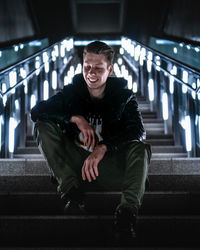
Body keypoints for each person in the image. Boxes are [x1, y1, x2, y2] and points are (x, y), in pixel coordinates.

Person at [31, 41, 151, 240]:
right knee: (42, 126)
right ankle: (72, 194)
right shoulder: (72, 92)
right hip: (75, 168)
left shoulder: (124, 97)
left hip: (108, 167)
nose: (91, 73)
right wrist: (75, 118)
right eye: (87, 66)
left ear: (110, 69)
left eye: (98, 67)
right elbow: (38, 111)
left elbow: (137, 131)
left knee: (141, 149)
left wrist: (104, 147)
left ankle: (126, 215)